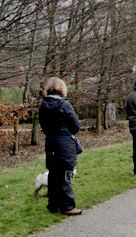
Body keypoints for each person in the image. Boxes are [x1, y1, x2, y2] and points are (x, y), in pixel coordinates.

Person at [39, 77, 83, 215]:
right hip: (64, 142)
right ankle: (67, 205)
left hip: (50, 141)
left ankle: (53, 204)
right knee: (66, 172)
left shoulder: (43, 105)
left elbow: (43, 125)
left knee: (53, 173)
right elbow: (75, 124)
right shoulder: (64, 105)